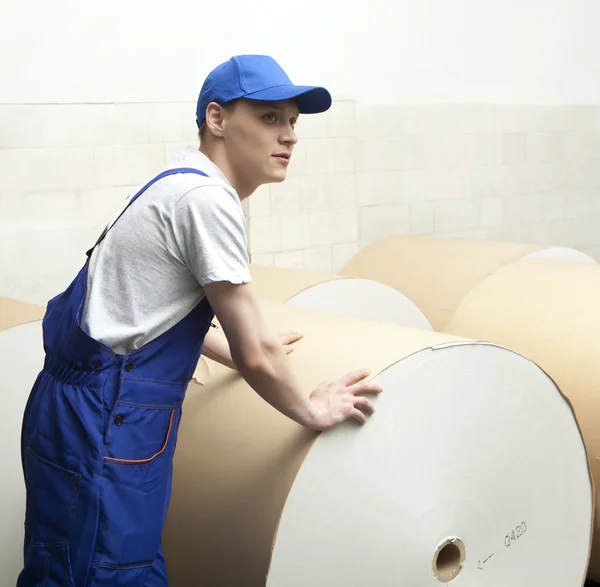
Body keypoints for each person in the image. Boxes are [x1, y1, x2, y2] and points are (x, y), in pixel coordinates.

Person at [17, 54, 383, 587]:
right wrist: (310, 407)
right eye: (269, 117)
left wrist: (233, 349)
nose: (289, 136)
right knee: (108, 573)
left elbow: (144, 311)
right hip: (106, 419)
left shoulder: (175, 180)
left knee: (62, 564)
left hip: (69, 408)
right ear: (217, 119)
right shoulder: (207, 199)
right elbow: (259, 353)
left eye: (293, 123)